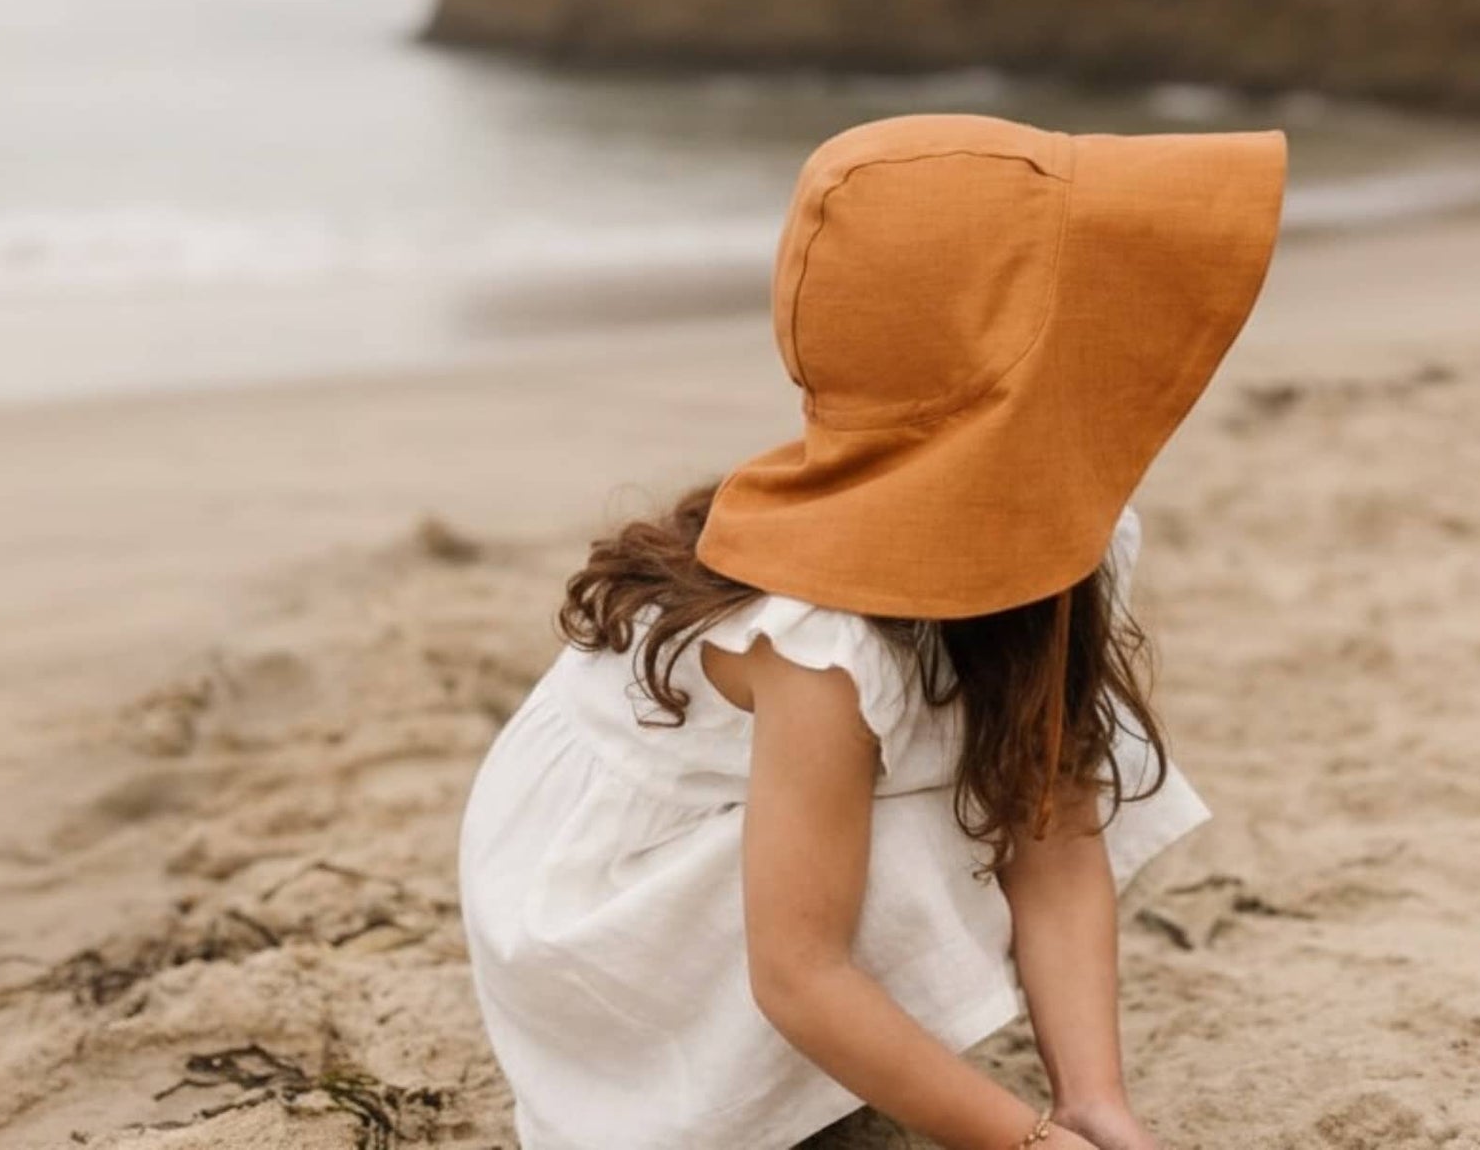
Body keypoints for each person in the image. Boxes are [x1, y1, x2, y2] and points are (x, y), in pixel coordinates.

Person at [458, 112, 1287, 1150]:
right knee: (921, 840)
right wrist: (1019, 1141)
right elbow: (796, 970)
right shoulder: (817, 643)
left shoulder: (1065, 527)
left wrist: (1091, 1101)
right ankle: (753, 1100)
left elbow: (1055, 821)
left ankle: (855, 1074)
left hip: (777, 841)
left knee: (999, 778)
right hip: (608, 905)